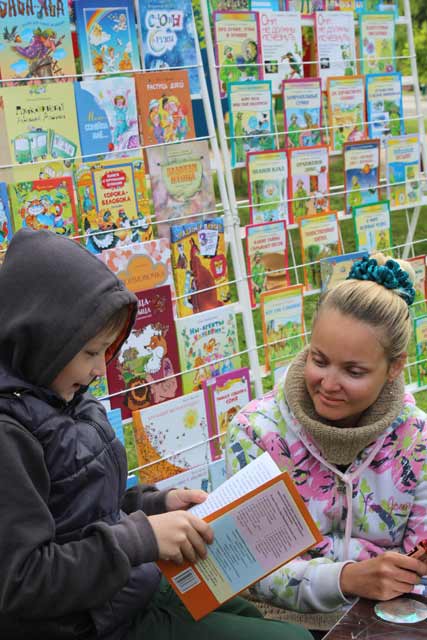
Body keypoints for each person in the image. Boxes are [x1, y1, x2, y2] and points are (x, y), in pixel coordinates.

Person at [0, 228, 313, 640]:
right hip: (92, 624)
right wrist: (140, 538)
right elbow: (22, 581)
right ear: (40, 339)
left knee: (258, 620)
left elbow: (84, 506)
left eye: (107, 351)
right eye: (90, 352)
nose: (100, 369)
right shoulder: (10, 434)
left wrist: (154, 504)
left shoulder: (63, 394)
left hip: (129, 589)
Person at [226, 253, 427, 615]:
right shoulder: (255, 433)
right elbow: (252, 567)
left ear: (395, 367)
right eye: (319, 360)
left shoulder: (417, 439)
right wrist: (345, 579)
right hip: (282, 622)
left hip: (388, 618)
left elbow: (419, 562)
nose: (329, 384)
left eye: (353, 371)